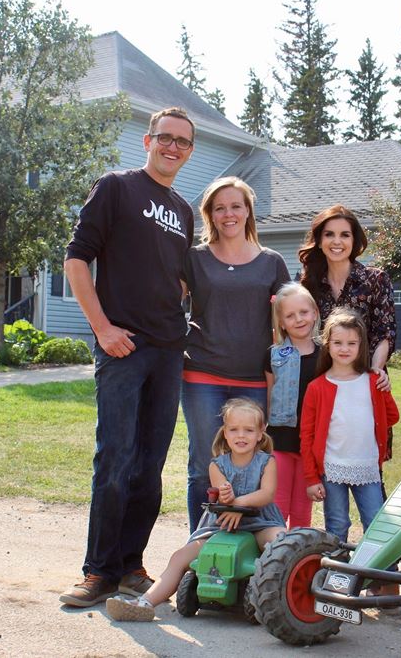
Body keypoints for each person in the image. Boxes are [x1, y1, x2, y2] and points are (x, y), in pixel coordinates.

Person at [59, 107, 196, 608]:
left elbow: (181, 276)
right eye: (166, 138)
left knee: (150, 464)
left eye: (182, 141)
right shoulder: (116, 187)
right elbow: (76, 259)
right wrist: (102, 327)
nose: (173, 147)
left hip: (167, 350)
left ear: (189, 150)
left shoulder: (183, 210)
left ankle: (130, 566)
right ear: (148, 140)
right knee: (114, 457)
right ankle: (98, 571)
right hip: (123, 347)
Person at [105, 398, 286, 621]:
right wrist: (226, 497)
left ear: (260, 433)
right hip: (222, 524)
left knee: (280, 542)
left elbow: (266, 494)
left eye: (248, 430)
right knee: (180, 556)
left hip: (260, 521)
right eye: (234, 429)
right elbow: (221, 498)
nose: (241, 435)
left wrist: (237, 503)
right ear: (225, 433)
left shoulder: (267, 462)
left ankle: (278, 599)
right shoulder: (217, 465)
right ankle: (144, 603)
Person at [182, 177, 290, 531]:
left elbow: (286, 324)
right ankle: (201, 543)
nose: (228, 213)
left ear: (248, 211)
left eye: (236, 206)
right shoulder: (194, 259)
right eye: (220, 207)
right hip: (201, 374)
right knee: (203, 464)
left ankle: (248, 540)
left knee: (253, 462)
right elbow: (163, 302)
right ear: (210, 215)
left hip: (253, 380)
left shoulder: (271, 263)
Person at [301, 308, 399, 543]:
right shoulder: (317, 387)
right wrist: (312, 478)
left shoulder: (373, 381)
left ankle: (377, 576)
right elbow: (307, 435)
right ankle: (337, 574)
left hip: (367, 466)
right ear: (327, 344)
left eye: (351, 343)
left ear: (361, 346)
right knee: (337, 524)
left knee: (375, 523)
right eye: (338, 342)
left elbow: (392, 417)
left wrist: (384, 388)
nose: (344, 349)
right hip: (332, 468)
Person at [298, 205, 396, 392]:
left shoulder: (375, 279)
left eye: (345, 235)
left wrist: (375, 370)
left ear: (354, 240)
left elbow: (385, 333)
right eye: (329, 235)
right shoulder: (308, 285)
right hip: (322, 383)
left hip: (366, 380)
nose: (337, 241)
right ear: (319, 241)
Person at [264, 282, 321, 528]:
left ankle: (298, 560)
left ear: (315, 313)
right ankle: (274, 559)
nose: (298, 319)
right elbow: (268, 395)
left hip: (310, 443)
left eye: (304, 312)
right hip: (280, 439)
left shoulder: (327, 355)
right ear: (282, 322)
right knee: (278, 505)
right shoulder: (273, 355)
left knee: (302, 508)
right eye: (290, 315)